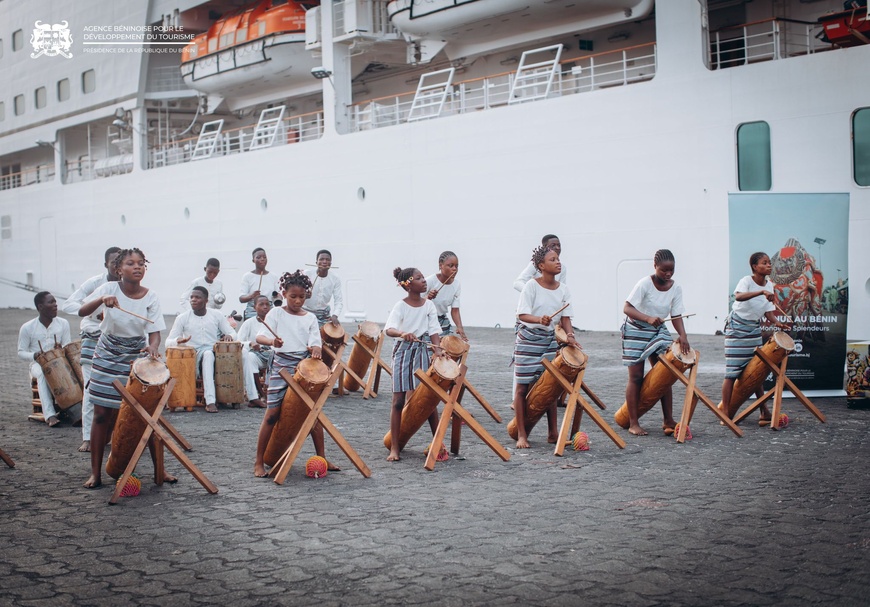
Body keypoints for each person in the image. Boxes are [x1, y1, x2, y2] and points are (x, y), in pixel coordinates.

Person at [78, 248, 170, 489]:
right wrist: (100, 300)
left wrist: (152, 347)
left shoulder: (151, 297)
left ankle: (160, 469)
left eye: (141, 263)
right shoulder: (108, 289)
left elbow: (154, 333)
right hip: (107, 353)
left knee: (146, 414)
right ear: (119, 269)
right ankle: (95, 474)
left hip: (135, 357)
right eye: (131, 263)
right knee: (101, 415)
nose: (137, 267)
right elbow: (81, 311)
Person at [253, 270, 336, 478]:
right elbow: (260, 337)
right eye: (293, 296)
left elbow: (315, 339)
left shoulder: (310, 317)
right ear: (283, 294)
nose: (297, 300)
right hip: (281, 366)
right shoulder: (276, 313)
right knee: (272, 414)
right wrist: (273, 341)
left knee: (312, 413)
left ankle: (322, 458)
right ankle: (258, 461)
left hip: (304, 365)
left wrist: (316, 348)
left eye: (301, 296)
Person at [511, 246, 581, 449]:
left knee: (550, 386)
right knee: (522, 387)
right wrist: (539, 319)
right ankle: (522, 435)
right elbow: (522, 315)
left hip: (549, 340)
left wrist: (569, 336)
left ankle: (553, 433)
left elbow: (566, 317)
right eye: (553, 259)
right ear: (541, 266)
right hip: (528, 340)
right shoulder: (530, 287)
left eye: (558, 258)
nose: (558, 262)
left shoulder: (563, 289)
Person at [622, 249, 690, 437]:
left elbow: (676, 315)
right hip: (636, 330)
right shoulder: (644, 283)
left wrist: (683, 335)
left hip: (657, 330)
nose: (668, 274)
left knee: (664, 372)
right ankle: (633, 422)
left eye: (671, 270)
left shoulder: (676, 288)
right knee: (636, 377)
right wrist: (647, 318)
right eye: (664, 270)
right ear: (655, 267)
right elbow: (627, 308)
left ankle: (668, 420)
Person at [166, 286, 265, 412]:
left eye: (197, 297)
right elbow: (167, 342)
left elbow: (233, 333)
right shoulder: (182, 318)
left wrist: (229, 335)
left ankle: (253, 397)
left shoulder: (216, 315)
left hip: (216, 350)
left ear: (206, 301)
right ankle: (210, 400)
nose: (193, 300)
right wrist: (177, 341)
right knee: (208, 354)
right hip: (196, 354)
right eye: (191, 297)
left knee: (244, 352)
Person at [61, 246, 121, 451]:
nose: (117, 265)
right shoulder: (95, 284)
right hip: (93, 338)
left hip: (117, 341)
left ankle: (116, 436)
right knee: (91, 387)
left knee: (118, 389)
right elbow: (69, 305)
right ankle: (87, 436)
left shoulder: (128, 285)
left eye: (121, 261)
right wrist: (93, 311)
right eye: (114, 261)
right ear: (106, 264)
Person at [721, 252, 790, 425]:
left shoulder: (770, 286)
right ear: (754, 266)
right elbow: (738, 296)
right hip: (736, 328)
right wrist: (760, 292)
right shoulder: (746, 281)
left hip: (753, 329)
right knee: (731, 373)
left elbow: (768, 311)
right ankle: (725, 413)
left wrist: (777, 323)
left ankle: (764, 412)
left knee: (756, 371)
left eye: (769, 263)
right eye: (764, 263)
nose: (769, 265)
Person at [384, 267, 445, 462]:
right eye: (419, 278)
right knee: (398, 401)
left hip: (421, 352)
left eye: (423, 277)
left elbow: (434, 331)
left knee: (428, 400)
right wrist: (403, 333)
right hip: (403, 352)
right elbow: (389, 329)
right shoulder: (400, 306)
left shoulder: (428, 306)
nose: (424, 281)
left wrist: (438, 351)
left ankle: (439, 445)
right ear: (408, 284)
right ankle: (394, 447)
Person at [18, 291, 73, 428]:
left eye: (55, 302)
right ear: (40, 306)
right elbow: (20, 352)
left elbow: (68, 346)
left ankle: (73, 410)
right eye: (51, 302)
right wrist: (35, 355)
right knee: (44, 372)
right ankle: (50, 415)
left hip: (60, 362)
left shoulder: (63, 323)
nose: (55, 305)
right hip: (37, 365)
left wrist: (61, 349)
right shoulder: (27, 327)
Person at [236, 294, 274, 408]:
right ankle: (260, 395)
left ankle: (273, 394)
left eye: (267, 304)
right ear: (254, 307)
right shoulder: (249, 323)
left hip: (273, 354)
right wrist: (250, 344)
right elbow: (238, 342)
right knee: (250, 358)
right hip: (257, 355)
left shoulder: (275, 321)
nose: (265, 307)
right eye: (261, 304)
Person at [426, 250, 466, 340]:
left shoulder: (456, 284)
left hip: (442, 321)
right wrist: (428, 297)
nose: (454, 269)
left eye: (456, 266)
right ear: (441, 265)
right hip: (426, 321)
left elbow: (455, 310)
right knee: (431, 350)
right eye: (450, 266)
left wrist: (460, 327)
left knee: (449, 348)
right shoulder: (429, 281)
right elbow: (416, 302)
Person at [303, 249, 343, 327]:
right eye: (321, 259)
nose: (324, 262)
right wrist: (304, 296)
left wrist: (335, 315)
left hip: (324, 315)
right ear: (316, 263)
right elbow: (295, 293)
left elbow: (338, 300)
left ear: (330, 263)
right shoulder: (306, 274)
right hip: (305, 313)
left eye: (327, 260)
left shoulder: (335, 278)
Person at [239, 247, 279, 320]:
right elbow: (241, 298)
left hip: (269, 310)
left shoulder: (273, 276)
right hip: (252, 311)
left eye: (264, 257)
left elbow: (277, 296)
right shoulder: (247, 276)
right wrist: (252, 296)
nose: (262, 259)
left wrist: (278, 296)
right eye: (258, 257)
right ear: (253, 260)